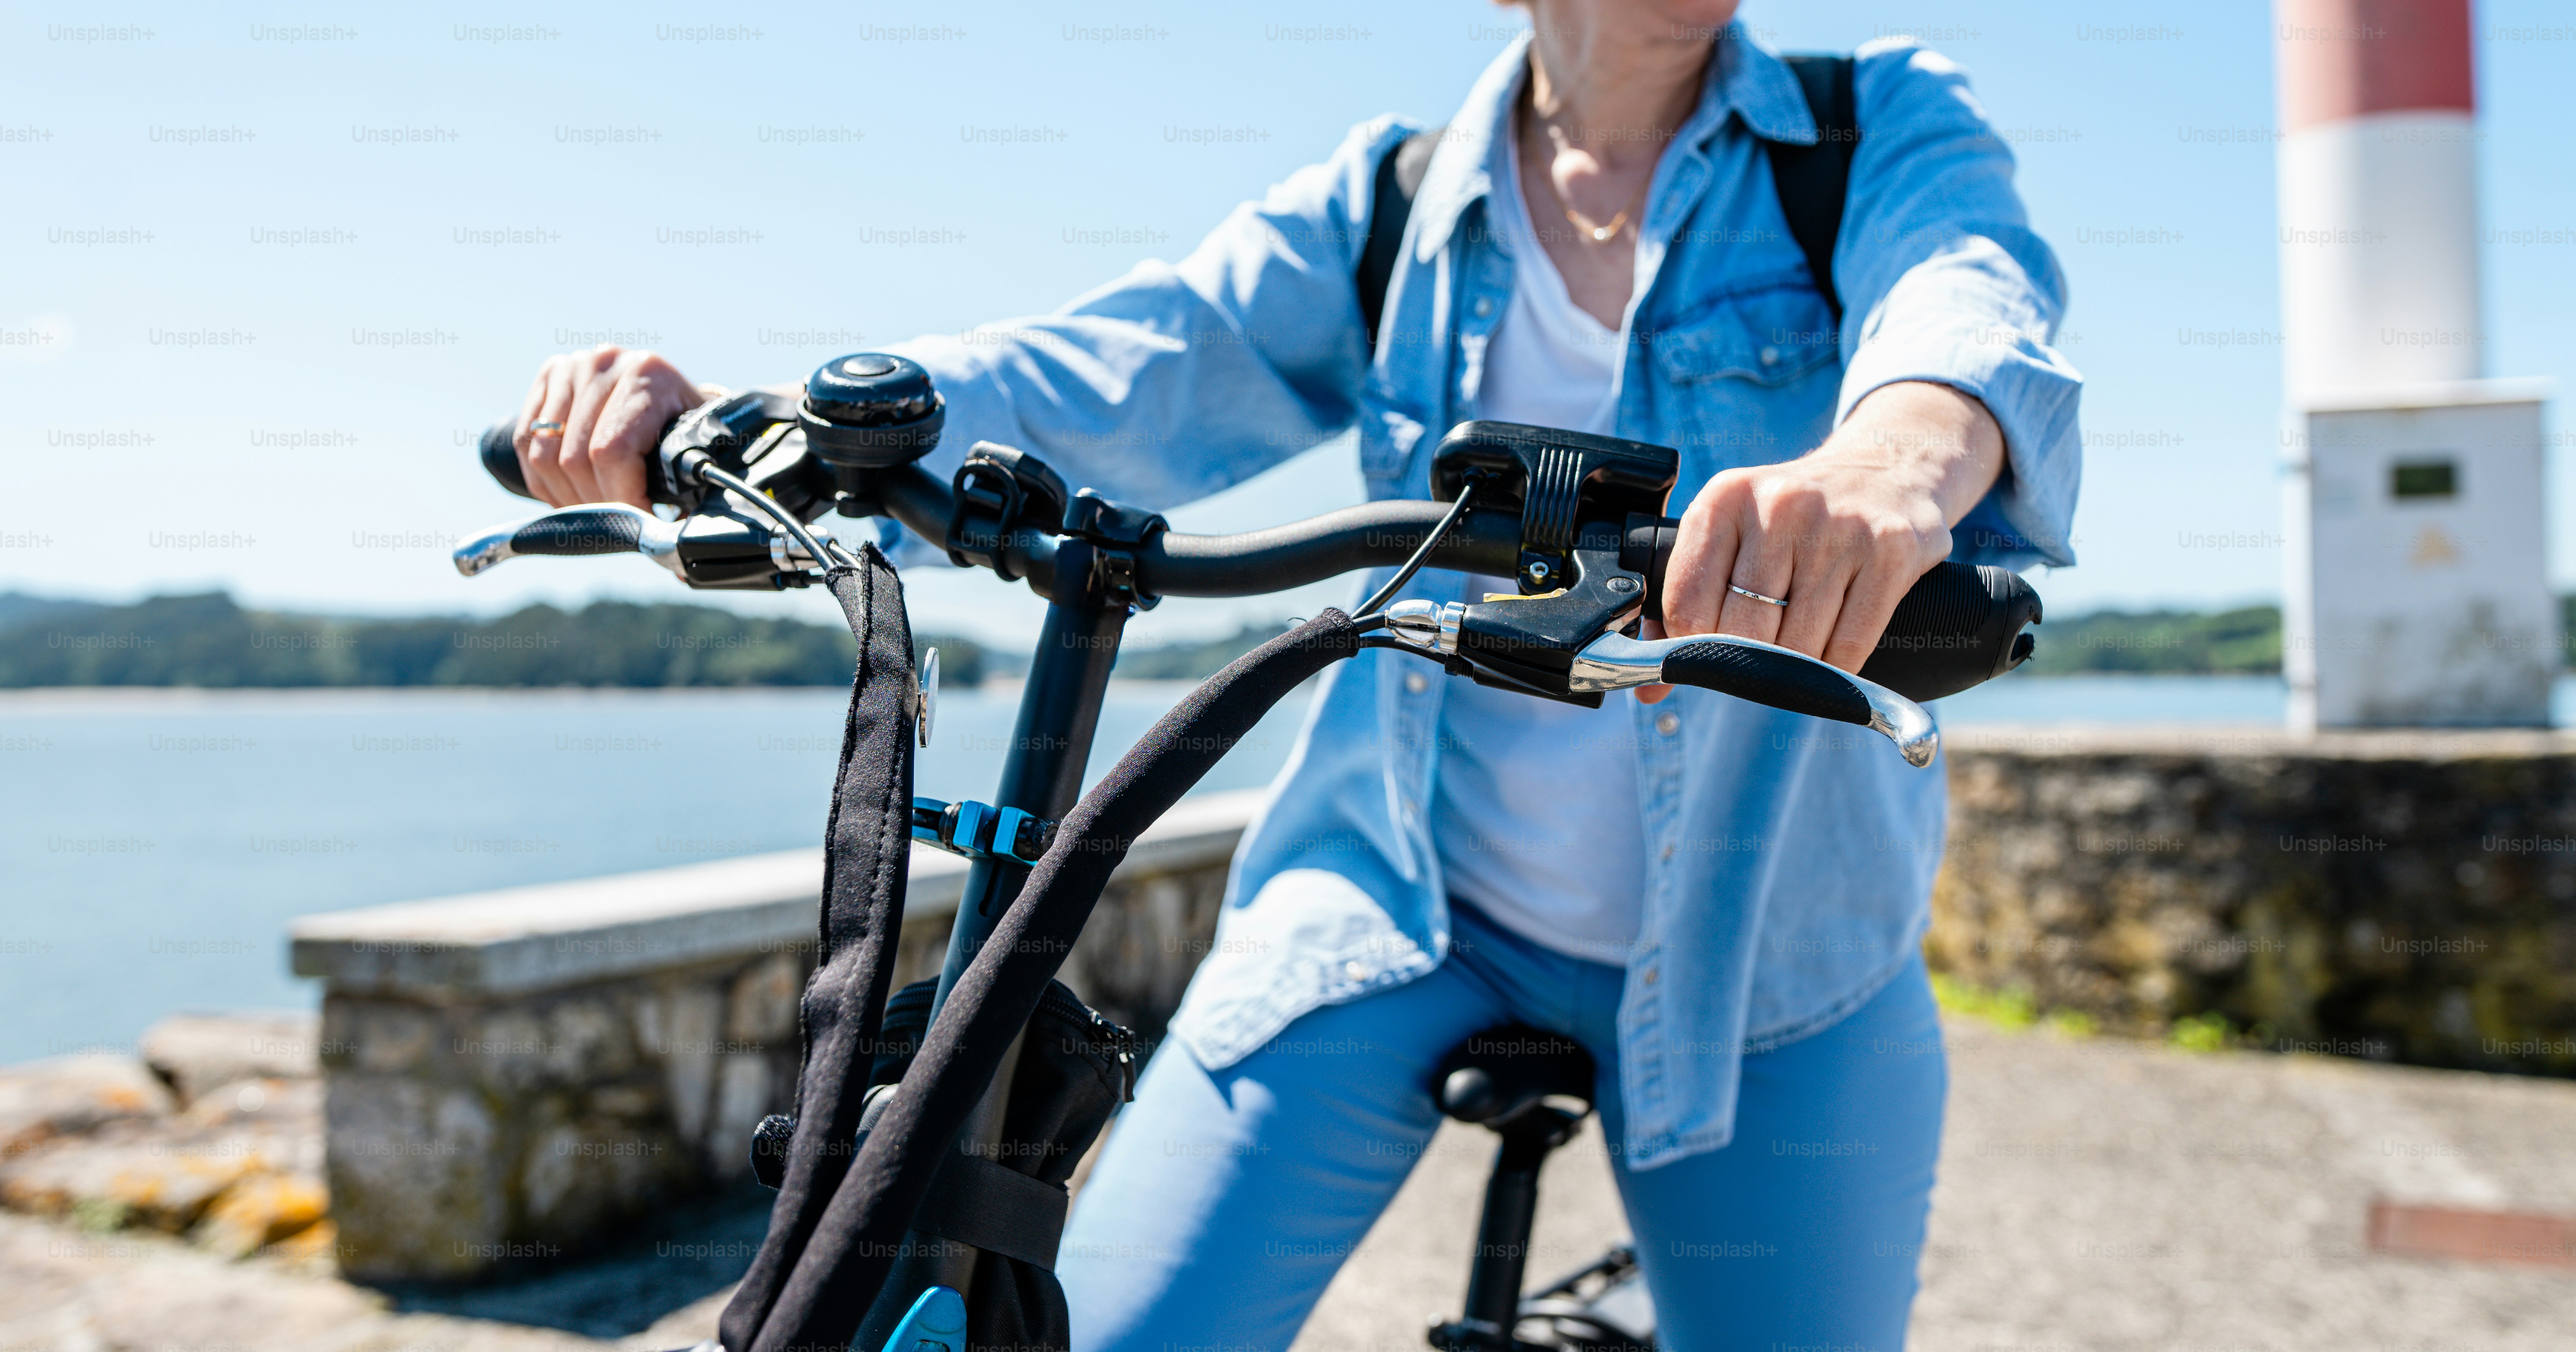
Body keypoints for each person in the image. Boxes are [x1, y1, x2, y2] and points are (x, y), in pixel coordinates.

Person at [507, 3, 2079, 1346]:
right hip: (1401, 906)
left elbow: (1968, 293)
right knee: (1102, 1322)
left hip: (1777, 951)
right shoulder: (1396, 205)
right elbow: (1130, 364)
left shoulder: (1865, 129)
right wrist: (794, 426)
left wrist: (1894, 462)